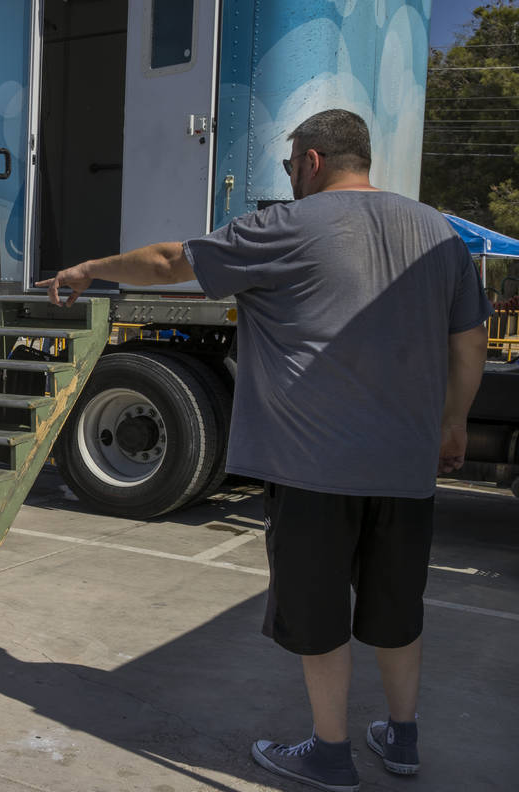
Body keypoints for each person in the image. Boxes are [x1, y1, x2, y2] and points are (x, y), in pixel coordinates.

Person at [37, 109, 491, 792]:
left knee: (318, 611)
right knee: (398, 607)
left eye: (288, 166)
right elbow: (469, 341)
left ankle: (330, 754)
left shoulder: (286, 226)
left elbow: (169, 262)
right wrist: (453, 422)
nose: (290, 176)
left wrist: (89, 269)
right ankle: (402, 740)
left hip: (315, 468)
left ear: (310, 161)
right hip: (406, 464)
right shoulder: (438, 233)